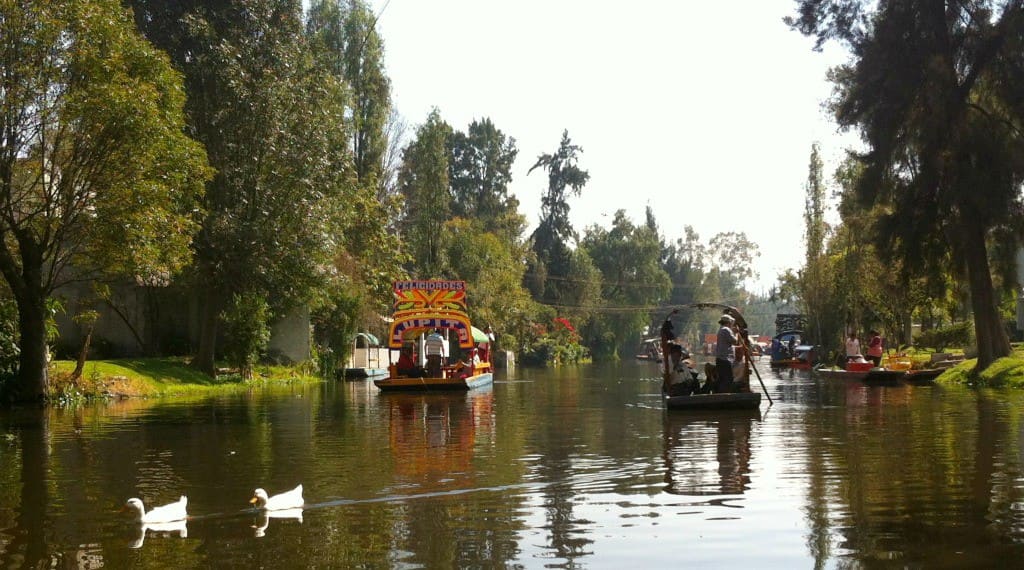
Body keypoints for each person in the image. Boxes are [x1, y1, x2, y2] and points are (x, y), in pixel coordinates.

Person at [715, 314, 740, 393]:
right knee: (728, 379)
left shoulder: (721, 329)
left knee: (722, 378)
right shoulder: (726, 330)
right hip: (725, 359)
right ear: (729, 322)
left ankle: (720, 394)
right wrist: (736, 332)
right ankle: (725, 395)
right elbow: (735, 341)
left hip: (720, 358)